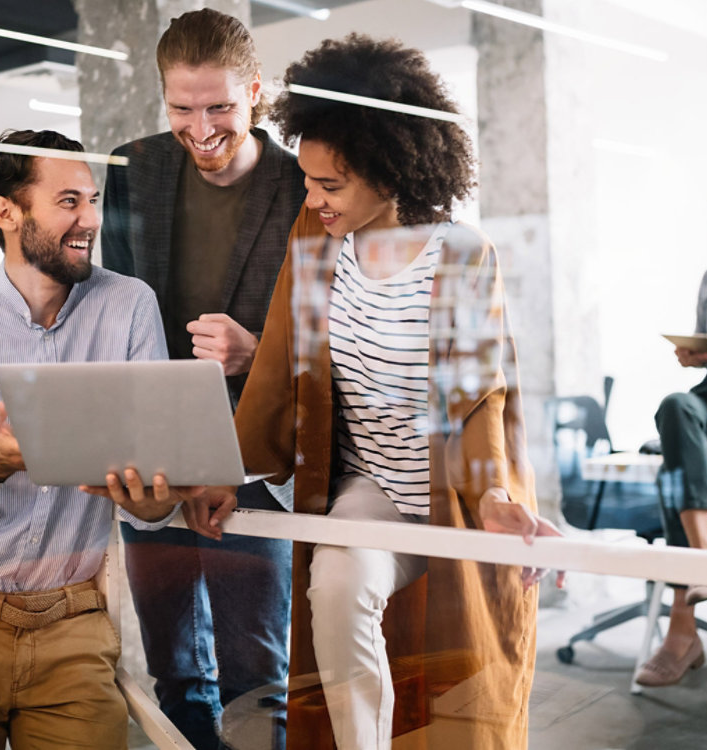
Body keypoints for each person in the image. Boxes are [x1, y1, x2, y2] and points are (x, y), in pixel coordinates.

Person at [190, 36, 562, 750]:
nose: (313, 199)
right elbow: (281, 361)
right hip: (374, 484)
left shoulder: (459, 253)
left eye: (332, 186)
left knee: (468, 673)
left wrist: (492, 497)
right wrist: (228, 468)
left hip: (450, 491)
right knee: (335, 584)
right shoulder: (317, 238)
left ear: (391, 174)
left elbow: (479, 395)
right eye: (308, 181)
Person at [0, 129, 187, 750]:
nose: (91, 220)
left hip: (73, 627)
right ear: (7, 213)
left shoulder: (128, 308)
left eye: (93, 200)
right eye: (69, 201)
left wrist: (153, 500)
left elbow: (154, 501)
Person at [101, 9, 305, 749]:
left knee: (258, 673)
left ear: (256, 90)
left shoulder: (298, 184)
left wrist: (259, 353)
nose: (202, 127)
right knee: (172, 670)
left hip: (254, 455)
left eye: (220, 105)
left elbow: (335, 326)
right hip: (156, 449)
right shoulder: (136, 167)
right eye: (183, 108)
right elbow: (112, 305)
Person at [640, 178, 707, 687]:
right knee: (674, 406)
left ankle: (682, 632)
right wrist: (697, 355)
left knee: (677, 469)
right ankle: (703, 559)